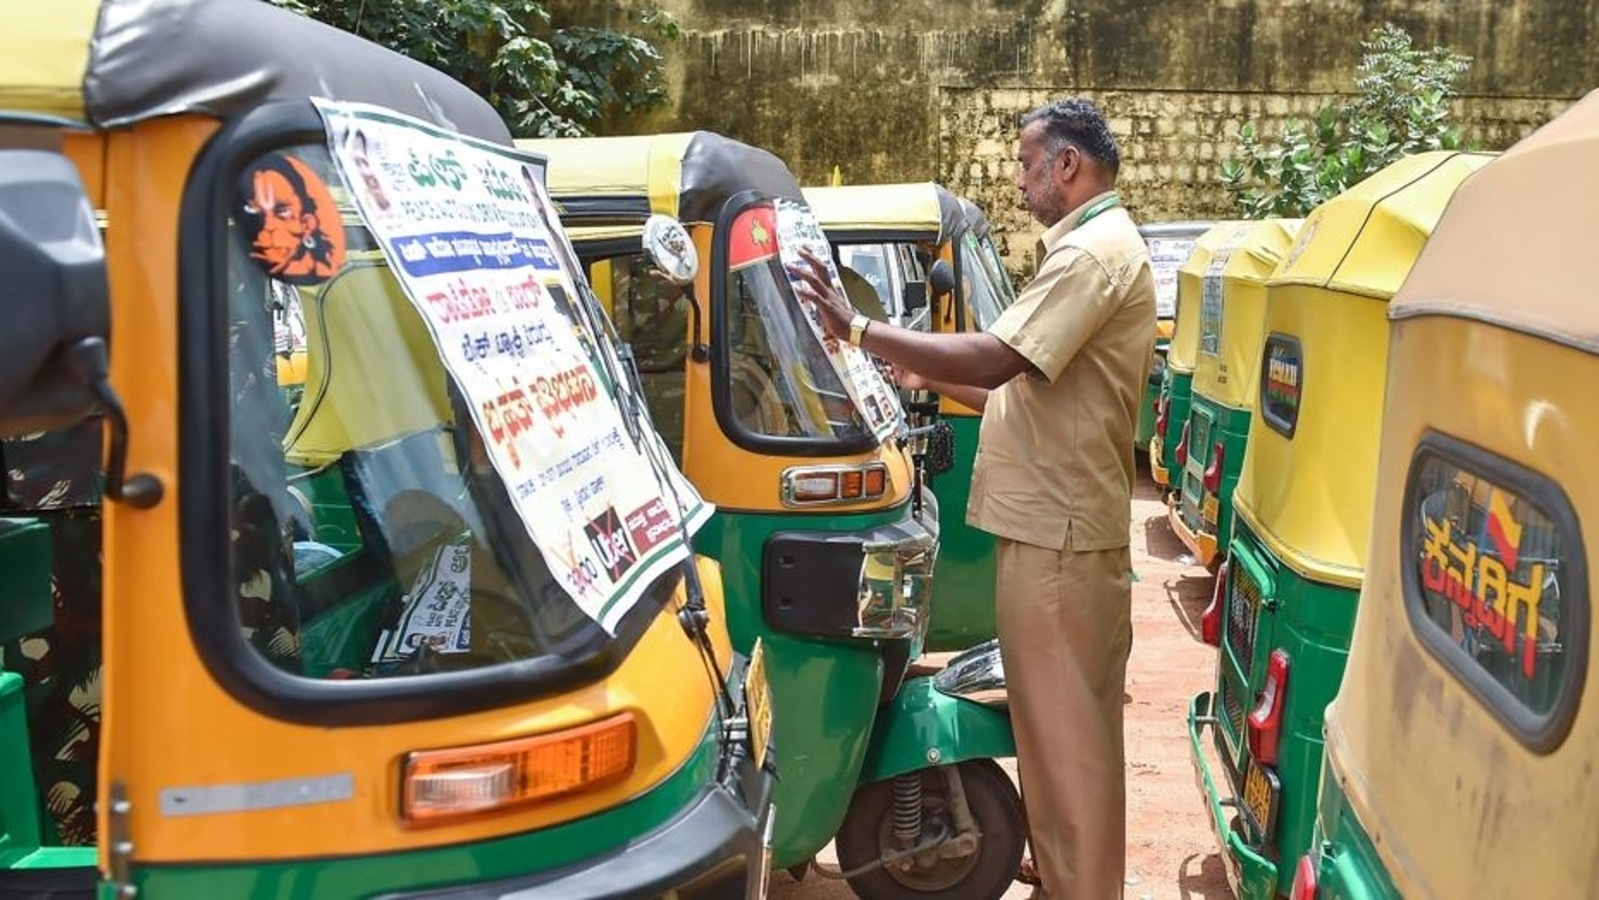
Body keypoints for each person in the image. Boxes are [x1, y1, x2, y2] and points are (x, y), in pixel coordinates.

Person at [786, 97, 1155, 899]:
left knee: (1069, 745)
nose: (1020, 181)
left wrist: (858, 329)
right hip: (1050, 525)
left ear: (1067, 164)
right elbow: (1014, 389)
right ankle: (1067, 872)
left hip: (1058, 534)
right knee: (1054, 736)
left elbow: (995, 360)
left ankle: (1082, 885)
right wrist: (920, 372)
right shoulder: (1087, 249)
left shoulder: (1090, 254)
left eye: (1027, 164)